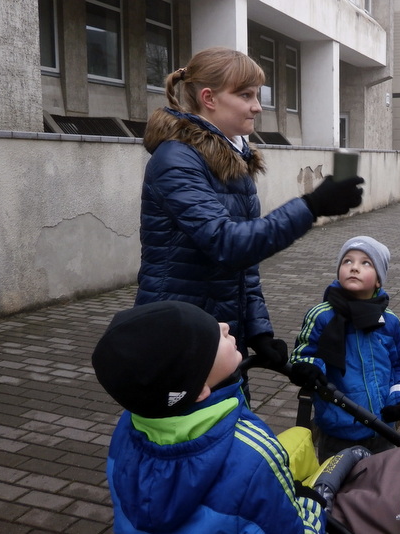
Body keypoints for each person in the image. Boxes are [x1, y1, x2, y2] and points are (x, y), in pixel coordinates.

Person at [136, 47, 364, 390]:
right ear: (209, 98)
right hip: (181, 338)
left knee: (230, 420)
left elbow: (243, 267)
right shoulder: (176, 160)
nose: (257, 106)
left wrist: (258, 330)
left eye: (257, 95)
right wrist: (312, 205)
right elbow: (228, 244)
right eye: (246, 95)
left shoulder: (232, 158)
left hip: (221, 336)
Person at [91, 301, 327, 533]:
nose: (224, 326)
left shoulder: (127, 428)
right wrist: (311, 505)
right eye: (214, 338)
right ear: (198, 389)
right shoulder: (254, 454)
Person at [288, 236, 400, 461]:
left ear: (378, 280)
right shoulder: (322, 316)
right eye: (347, 261)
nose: (354, 267)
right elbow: (304, 354)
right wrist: (308, 367)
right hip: (338, 430)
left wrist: (398, 400)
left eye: (366, 263)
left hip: (382, 429)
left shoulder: (389, 322)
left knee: (381, 480)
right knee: (337, 481)